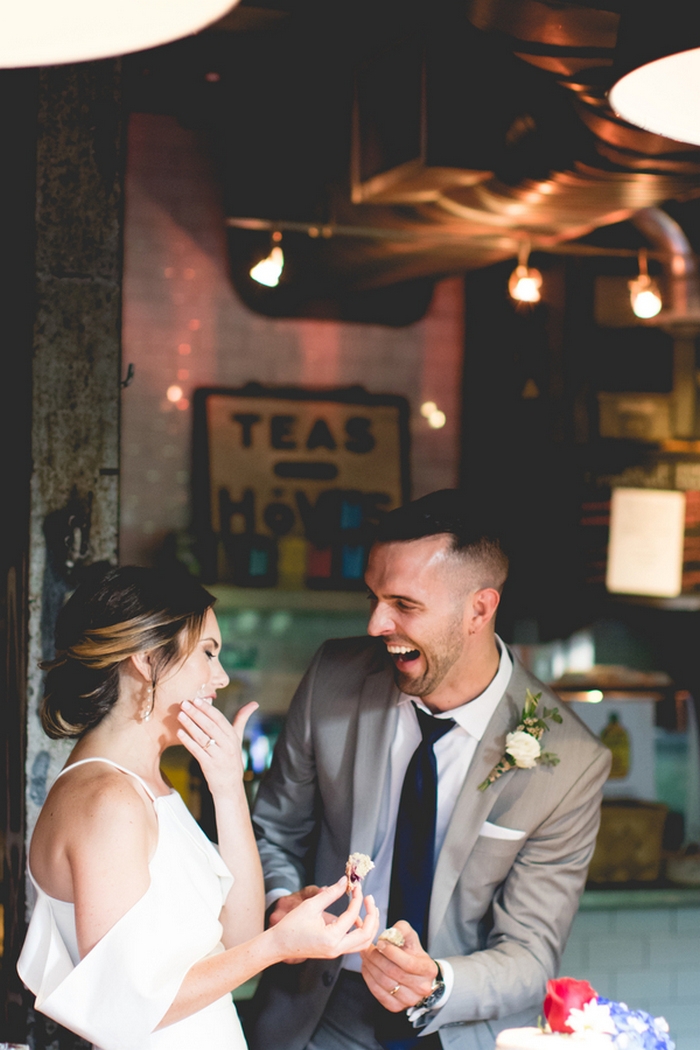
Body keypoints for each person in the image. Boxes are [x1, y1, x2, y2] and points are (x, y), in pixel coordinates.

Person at [248, 489, 612, 1050]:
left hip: (451, 1026)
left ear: (479, 609)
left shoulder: (573, 761)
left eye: (404, 604)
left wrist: (437, 984)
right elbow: (274, 829)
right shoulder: (332, 677)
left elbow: (532, 950)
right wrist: (282, 901)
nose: (375, 623)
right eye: (373, 596)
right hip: (315, 1014)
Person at [17, 566, 378, 1050]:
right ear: (146, 659)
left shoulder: (148, 785)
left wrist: (227, 788)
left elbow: (238, 933)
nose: (222, 676)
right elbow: (123, 1005)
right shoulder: (109, 799)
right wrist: (278, 946)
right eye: (207, 652)